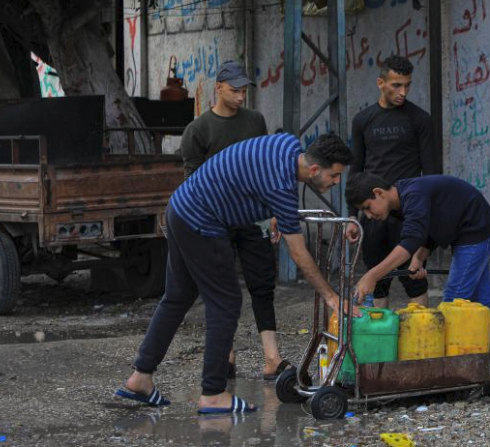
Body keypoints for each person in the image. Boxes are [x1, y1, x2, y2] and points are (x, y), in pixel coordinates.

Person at [116, 133, 354, 413]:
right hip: (202, 221)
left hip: (180, 208)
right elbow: (298, 253)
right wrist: (330, 296)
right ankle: (213, 393)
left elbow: (252, 178)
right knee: (225, 304)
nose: (336, 182)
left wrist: (274, 211)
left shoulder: (287, 144)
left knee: (177, 296)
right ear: (314, 169)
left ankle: (141, 377)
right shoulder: (281, 187)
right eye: (334, 175)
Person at [345, 172, 490, 392]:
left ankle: (452, 376)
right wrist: (419, 256)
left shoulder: (413, 195)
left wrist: (372, 275)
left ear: (378, 193)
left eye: (368, 208)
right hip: (469, 229)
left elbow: (410, 240)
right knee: (481, 304)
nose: (369, 216)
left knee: (454, 303)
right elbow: (433, 221)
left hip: (475, 231)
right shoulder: (402, 200)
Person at [181, 60, 288, 381]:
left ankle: (272, 358)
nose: (241, 97)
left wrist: (274, 211)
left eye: (244, 91)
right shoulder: (198, 130)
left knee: (263, 285)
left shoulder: (255, 121)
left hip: (253, 217)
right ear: (218, 88)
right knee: (221, 288)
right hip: (216, 221)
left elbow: (266, 167)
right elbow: (192, 184)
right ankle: (225, 355)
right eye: (234, 91)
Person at [345, 54, 439, 309]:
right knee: (377, 281)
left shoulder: (419, 119)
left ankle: (422, 334)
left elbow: (432, 173)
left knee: (414, 278)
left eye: (407, 85)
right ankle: (380, 332)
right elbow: (356, 170)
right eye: (397, 85)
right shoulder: (363, 120)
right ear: (380, 83)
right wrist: (352, 216)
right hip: (374, 213)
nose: (403, 92)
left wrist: (428, 220)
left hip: (408, 212)